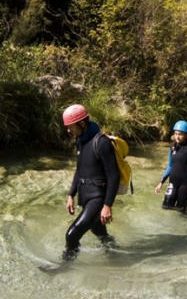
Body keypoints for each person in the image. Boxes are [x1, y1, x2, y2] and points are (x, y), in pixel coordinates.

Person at [62, 103, 119, 261]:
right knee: (99, 232)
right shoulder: (81, 140)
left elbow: (114, 176)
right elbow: (79, 170)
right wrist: (70, 194)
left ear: (82, 123)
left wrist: (107, 205)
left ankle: (65, 266)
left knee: (72, 235)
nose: (68, 130)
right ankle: (114, 254)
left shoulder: (101, 142)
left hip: (97, 198)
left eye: (70, 126)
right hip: (86, 196)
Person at [155, 120, 187, 212]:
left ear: (186, 135)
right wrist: (161, 182)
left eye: (180, 134)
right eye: (176, 134)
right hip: (172, 183)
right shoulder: (172, 147)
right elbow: (170, 166)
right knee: (165, 207)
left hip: (185, 185)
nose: (177, 136)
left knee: (181, 211)